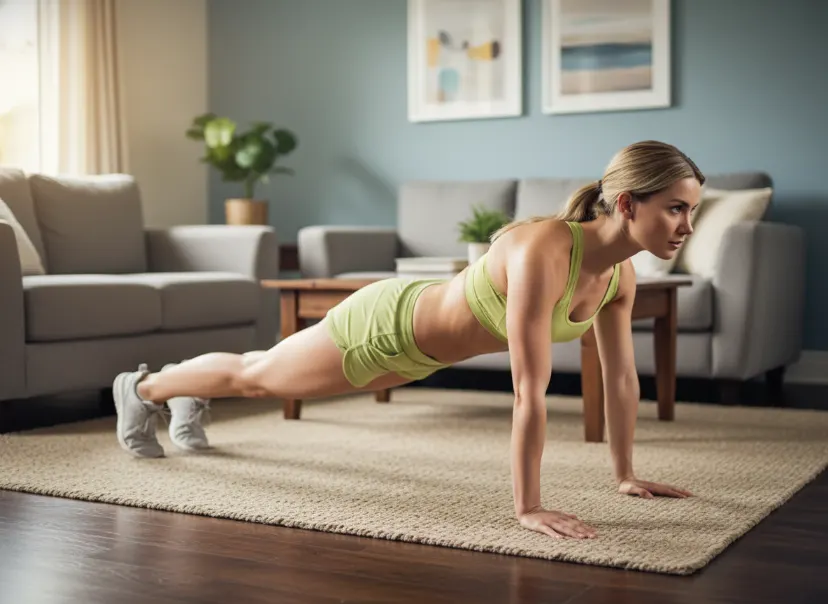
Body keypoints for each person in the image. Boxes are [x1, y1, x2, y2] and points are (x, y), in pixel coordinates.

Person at [112, 139, 700, 540]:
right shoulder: (543, 249)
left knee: (258, 369)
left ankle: (181, 391)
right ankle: (144, 387)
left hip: (420, 358)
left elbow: (622, 378)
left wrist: (624, 474)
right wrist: (528, 508)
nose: (686, 227)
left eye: (692, 211)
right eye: (676, 208)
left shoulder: (618, 275)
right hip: (385, 327)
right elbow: (530, 392)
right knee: (257, 375)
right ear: (627, 203)